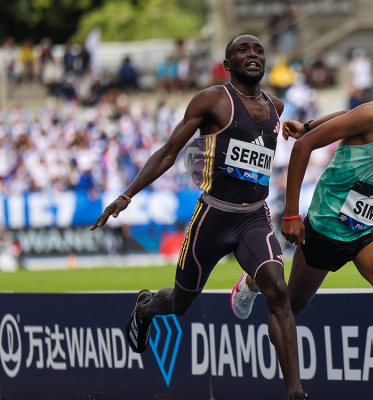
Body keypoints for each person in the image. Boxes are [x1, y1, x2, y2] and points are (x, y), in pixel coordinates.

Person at [90, 34, 310, 400]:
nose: (252, 55)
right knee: (179, 304)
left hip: (254, 217)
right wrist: (127, 193)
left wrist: (299, 128)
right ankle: (145, 309)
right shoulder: (212, 100)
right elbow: (168, 152)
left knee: (278, 291)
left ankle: (296, 394)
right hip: (213, 217)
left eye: (258, 50)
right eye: (243, 50)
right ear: (227, 64)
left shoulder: (276, 105)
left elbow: (269, 139)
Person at [232, 60, 373, 400]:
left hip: (369, 225)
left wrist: (308, 124)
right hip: (327, 224)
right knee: (291, 305)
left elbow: (341, 118)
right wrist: (291, 213)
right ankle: (252, 282)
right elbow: (304, 147)